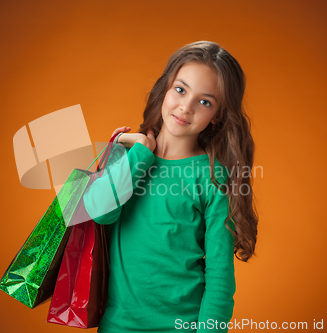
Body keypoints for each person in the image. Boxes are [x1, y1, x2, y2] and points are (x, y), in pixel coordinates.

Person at [82, 41, 258, 333]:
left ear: (217, 115)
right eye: (180, 89)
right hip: (117, 325)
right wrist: (141, 150)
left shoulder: (214, 178)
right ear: (165, 89)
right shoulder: (128, 156)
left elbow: (220, 276)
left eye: (205, 102)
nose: (185, 107)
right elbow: (99, 212)